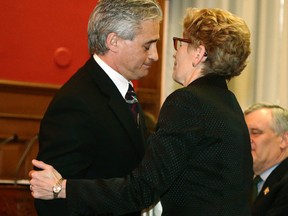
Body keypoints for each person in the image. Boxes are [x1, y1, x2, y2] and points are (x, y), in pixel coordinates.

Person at [30, 8, 253, 216]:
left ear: (199, 54)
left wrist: (61, 187)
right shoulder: (229, 103)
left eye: (181, 43)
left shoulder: (188, 102)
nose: (169, 54)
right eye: (148, 46)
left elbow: (143, 188)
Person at [33, 0, 162, 215]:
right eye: (147, 46)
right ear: (114, 41)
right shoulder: (77, 102)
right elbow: (51, 199)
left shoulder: (121, 90)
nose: (155, 55)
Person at [244, 103, 288, 216]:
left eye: (255, 133)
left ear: (284, 140)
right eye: (244, 133)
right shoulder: (241, 179)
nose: (246, 140)